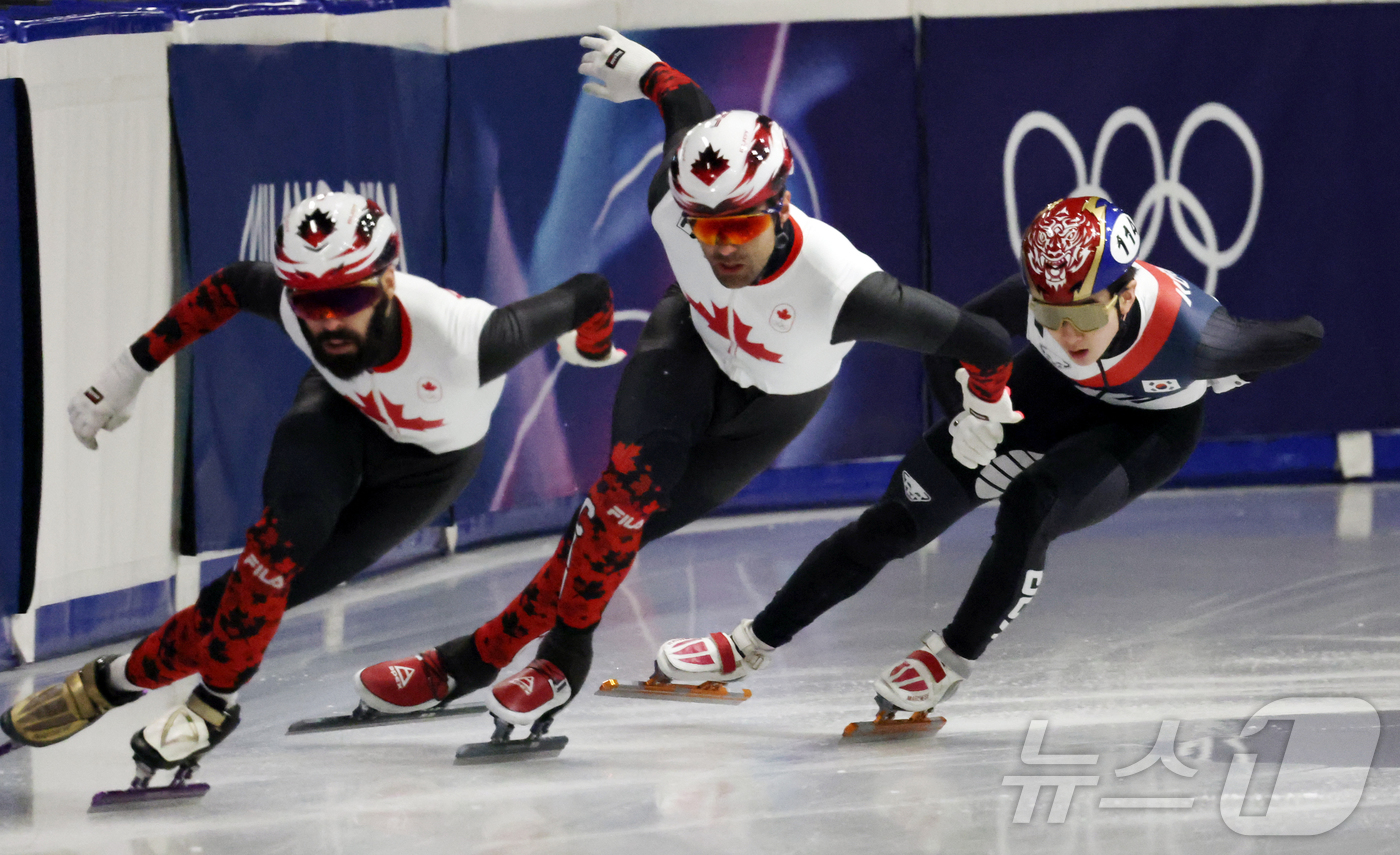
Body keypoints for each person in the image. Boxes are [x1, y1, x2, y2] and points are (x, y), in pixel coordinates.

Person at [355, 28, 1020, 738]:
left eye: (739, 225)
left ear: (780, 206)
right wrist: (649, 71)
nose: (723, 245)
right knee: (617, 503)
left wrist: (983, 405)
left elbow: (981, 339)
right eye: (705, 229)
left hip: (773, 407)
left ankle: (470, 659)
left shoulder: (845, 289)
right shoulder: (674, 197)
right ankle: (556, 659)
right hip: (690, 345)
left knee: (612, 535)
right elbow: (687, 111)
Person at [0, 192, 622, 776]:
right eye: (307, 301)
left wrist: (590, 348)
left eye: (345, 300)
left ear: (384, 281)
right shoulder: (291, 302)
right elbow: (225, 289)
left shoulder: (472, 338)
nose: (325, 321)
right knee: (271, 556)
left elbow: (590, 290)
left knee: (256, 596)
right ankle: (214, 705)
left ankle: (113, 684)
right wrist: (125, 373)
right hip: (340, 415)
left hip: (428, 466)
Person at [654, 195, 1324, 720]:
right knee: (892, 520)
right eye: (1049, 313)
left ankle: (952, 655)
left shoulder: (1196, 336)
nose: (1066, 332)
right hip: (1052, 393)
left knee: (1034, 501)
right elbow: (952, 345)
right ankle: (749, 645)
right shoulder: (1041, 307)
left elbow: (1304, 335)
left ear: (1125, 294)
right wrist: (970, 415)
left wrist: (1239, 364)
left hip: (1146, 427)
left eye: (1085, 318)